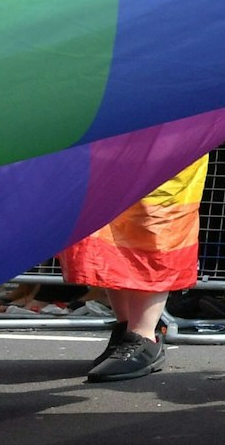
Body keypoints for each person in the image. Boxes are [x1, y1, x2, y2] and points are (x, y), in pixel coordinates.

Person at [60, 157, 210, 382]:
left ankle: (143, 336)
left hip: (169, 140)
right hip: (123, 143)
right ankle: (127, 330)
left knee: (151, 223)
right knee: (108, 225)